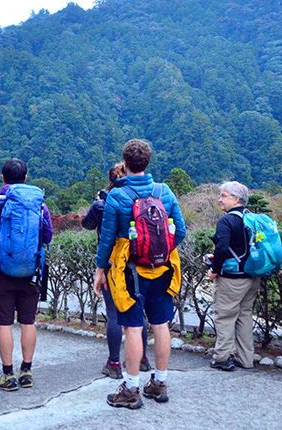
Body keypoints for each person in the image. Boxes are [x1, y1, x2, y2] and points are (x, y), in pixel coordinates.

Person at [93, 139, 186, 409]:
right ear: (147, 162)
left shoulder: (117, 196)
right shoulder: (164, 191)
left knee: (133, 327)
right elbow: (180, 231)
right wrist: (158, 250)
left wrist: (100, 270)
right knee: (161, 324)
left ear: (125, 164)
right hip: (163, 269)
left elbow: (107, 239)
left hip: (129, 272)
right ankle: (160, 384)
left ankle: (131, 389)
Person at [0, 158, 54, 392]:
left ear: (3, 177)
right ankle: (26, 372)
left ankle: (8, 375)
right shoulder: (39, 204)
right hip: (30, 272)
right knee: (28, 322)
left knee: (5, 323)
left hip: (2, 271)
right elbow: (47, 236)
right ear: (25, 178)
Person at [82, 162, 151, 379]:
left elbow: (86, 224)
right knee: (138, 311)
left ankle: (114, 363)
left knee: (114, 314)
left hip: (114, 263)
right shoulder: (144, 197)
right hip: (141, 261)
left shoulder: (104, 203)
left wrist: (97, 203)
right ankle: (142, 359)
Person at [204, 181, 260, 371]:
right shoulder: (250, 219)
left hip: (233, 279)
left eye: (223, 196)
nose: (219, 200)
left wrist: (214, 269)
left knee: (225, 316)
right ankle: (246, 359)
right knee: (244, 315)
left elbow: (222, 247)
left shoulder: (226, 221)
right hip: (252, 276)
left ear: (236, 199)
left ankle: (222, 358)